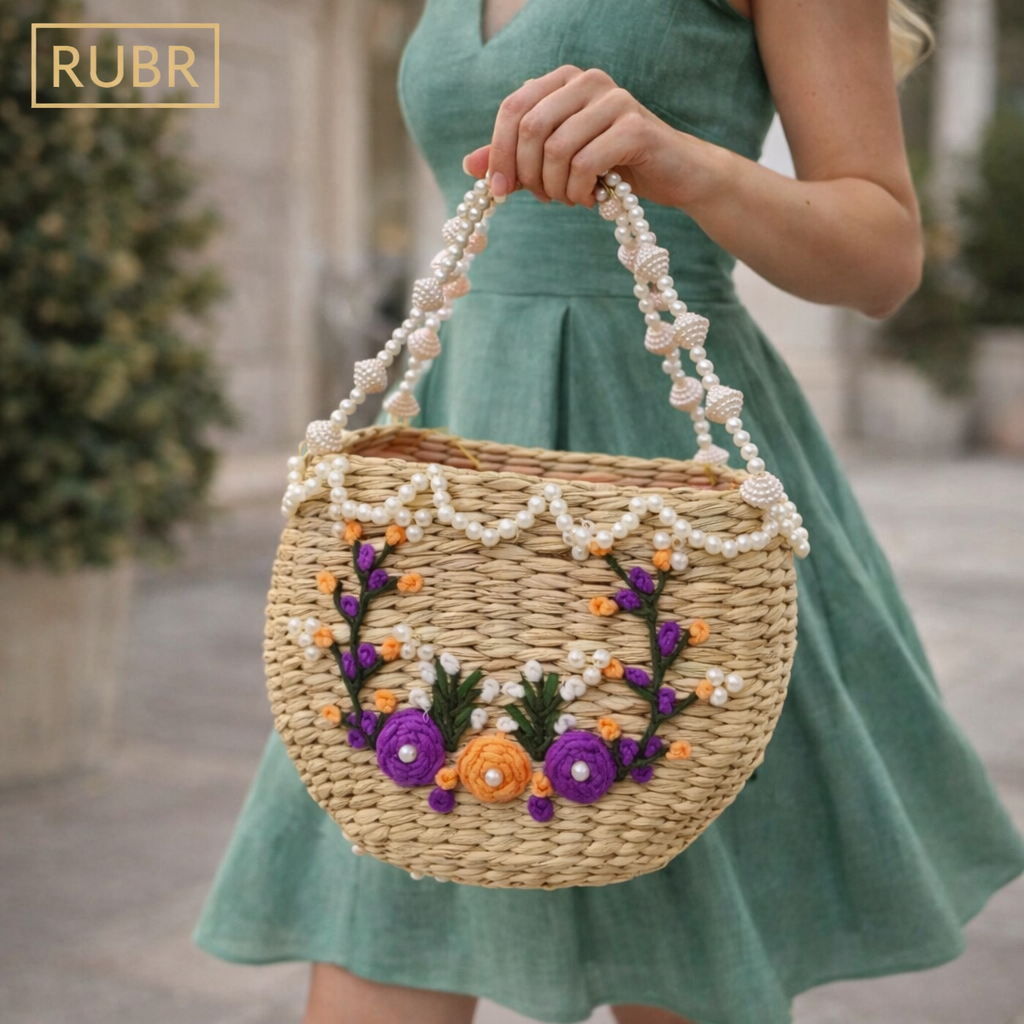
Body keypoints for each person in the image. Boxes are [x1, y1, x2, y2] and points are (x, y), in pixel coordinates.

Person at [194, 2, 1024, 1022]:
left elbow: (883, 257)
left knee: (674, 937)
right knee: (392, 859)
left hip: (658, 493)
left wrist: (687, 165)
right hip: (451, 492)